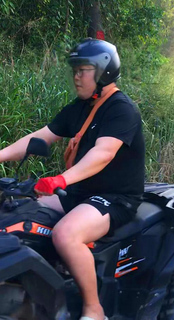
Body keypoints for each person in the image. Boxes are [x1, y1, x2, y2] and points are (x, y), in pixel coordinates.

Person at [0, 38, 145, 320]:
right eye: (75, 70)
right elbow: (40, 136)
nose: (77, 76)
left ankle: (94, 309)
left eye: (84, 69)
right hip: (80, 194)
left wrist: (61, 179)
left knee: (66, 235)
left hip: (116, 198)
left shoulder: (121, 109)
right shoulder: (79, 107)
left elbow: (102, 154)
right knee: (18, 208)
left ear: (104, 71)